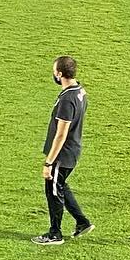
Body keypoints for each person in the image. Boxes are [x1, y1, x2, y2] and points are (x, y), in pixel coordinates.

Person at [33, 56, 92, 247]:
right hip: (73, 149)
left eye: (54, 71)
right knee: (61, 186)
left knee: (53, 190)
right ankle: (82, 222)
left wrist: (49, 162)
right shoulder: (80, 91)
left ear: (59, 74)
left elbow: (61, 134)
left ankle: (55, 233)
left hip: (62, 153)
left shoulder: (68, 99)